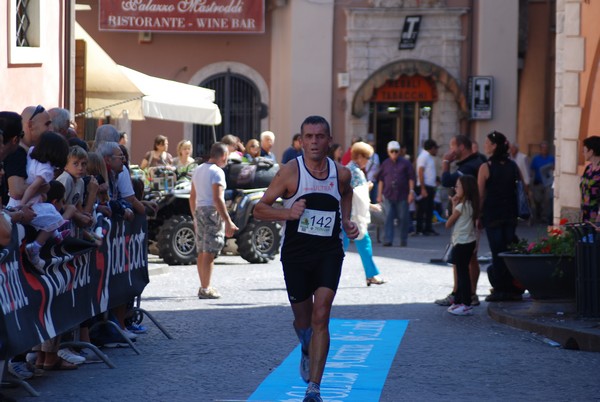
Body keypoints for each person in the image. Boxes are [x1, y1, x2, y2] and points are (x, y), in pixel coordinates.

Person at [254, 115, 359, 402]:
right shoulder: (290, 172)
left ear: (328, 140)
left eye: (320, 136)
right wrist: (287, 213)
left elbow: (346, 194)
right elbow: (259, 209)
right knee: (303, 320)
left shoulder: (342, 173)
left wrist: (347, 220)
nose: (314, 142)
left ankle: (314, 388)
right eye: (309, 137)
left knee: (321, 315)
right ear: (301, 141)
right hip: (296, 255)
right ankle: (305, 346)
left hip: (329, 251)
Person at [436, 134, 485, 307]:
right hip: (471, 216)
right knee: (468, 258)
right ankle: (467, 293)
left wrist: (445, 162)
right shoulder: (474, 162)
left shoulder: (470, 165)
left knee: (463, 259)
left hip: (467, 218)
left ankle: (464, 294)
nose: (450, 151)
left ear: (461, 147)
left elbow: (446, 181)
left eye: (452, 146)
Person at [478, 131, 524, 302]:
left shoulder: (486, 167)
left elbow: (481, 194)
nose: (485, 145)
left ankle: (500, 289)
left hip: (493, 215)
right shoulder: (513, 166)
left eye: (487, 142)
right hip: (510, 214)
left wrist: (477, 215)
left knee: (497, 252)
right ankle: (512, 287)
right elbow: (522, 189)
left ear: (494, 146)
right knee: (509, 250)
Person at [189, 142, 238, 299]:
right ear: (223, 156)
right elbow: (218, 199)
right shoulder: (217, 172)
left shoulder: (198, 169)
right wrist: (228, 221)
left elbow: (192, 196)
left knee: (202, 251)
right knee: (209, 252)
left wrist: (194, 215)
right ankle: (205, 287)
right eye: (227, 157)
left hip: (199, 210)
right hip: (211, 212)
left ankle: (204, 285)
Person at [16, 132, 70, 273]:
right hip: (27, 204)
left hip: (26, 202)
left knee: (50, 210)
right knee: (55, 217)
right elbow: (33, 187)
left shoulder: (32, 153)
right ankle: (35, 248)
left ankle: (56, 235)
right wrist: (21, 205)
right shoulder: (46, 170)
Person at [345, 141, 385, 285]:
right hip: (352, 217)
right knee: (362, 243)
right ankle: (371, 274)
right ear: (360, 156)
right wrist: (367, 189)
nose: (368, 161)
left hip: (346, 215)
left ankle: (371, 274)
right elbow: (358, 196)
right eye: (367, 158)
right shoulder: (356, 172)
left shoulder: (348, 168)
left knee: (344, 246)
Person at [445, 175, 479, 316]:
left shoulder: (461, 206)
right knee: (462, 272)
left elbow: (448, 223)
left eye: (458, 186)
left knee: (462, 274)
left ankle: (465, 304)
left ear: (465, 188)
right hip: (469, 242)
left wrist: (453, 204)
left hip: (461, 242)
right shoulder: (471, 204)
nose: (455, 188)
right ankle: (460, 302)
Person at [376, 140, 415, 247]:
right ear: (388, 152)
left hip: (403, 195)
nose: (394, 153)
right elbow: (381, 180)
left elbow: (411, 178)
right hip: (388, 194)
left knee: (403, 218)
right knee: (388, 217)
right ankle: (388, 239)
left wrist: (411, 192)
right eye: (392, 151)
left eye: (396, 151)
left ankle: (403, 239)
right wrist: (379, 195)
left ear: (399, 151)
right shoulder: (385, 163)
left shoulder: (406, 163)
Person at [415, 139, 439, 236]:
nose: (436, 151)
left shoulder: (428, 157)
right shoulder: (424, 156)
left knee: (429, 208)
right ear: (432, 148)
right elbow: (420, 171)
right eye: (435, 148)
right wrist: (423, 188)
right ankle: (420, 228)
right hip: (425, 186)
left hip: (430, 186)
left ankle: (428, 228)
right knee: (422, 208)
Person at [529, 141, 555, 223]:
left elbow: (555, 168)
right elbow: (532, 170)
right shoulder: (535, 158)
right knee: (537, 199)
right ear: (540, 149)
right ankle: (538, 212)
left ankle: (544, 217)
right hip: (538, 182)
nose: (544, 149)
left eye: (546, 148)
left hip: (548, 183)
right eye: (543, 148)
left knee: (547, 200)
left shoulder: (551, 158)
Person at [580, 136, 600, 223]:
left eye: (584, 150)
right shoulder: (588, 168)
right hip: (585, 215)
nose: (583, 153)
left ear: (591, 152)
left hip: (596, 217)